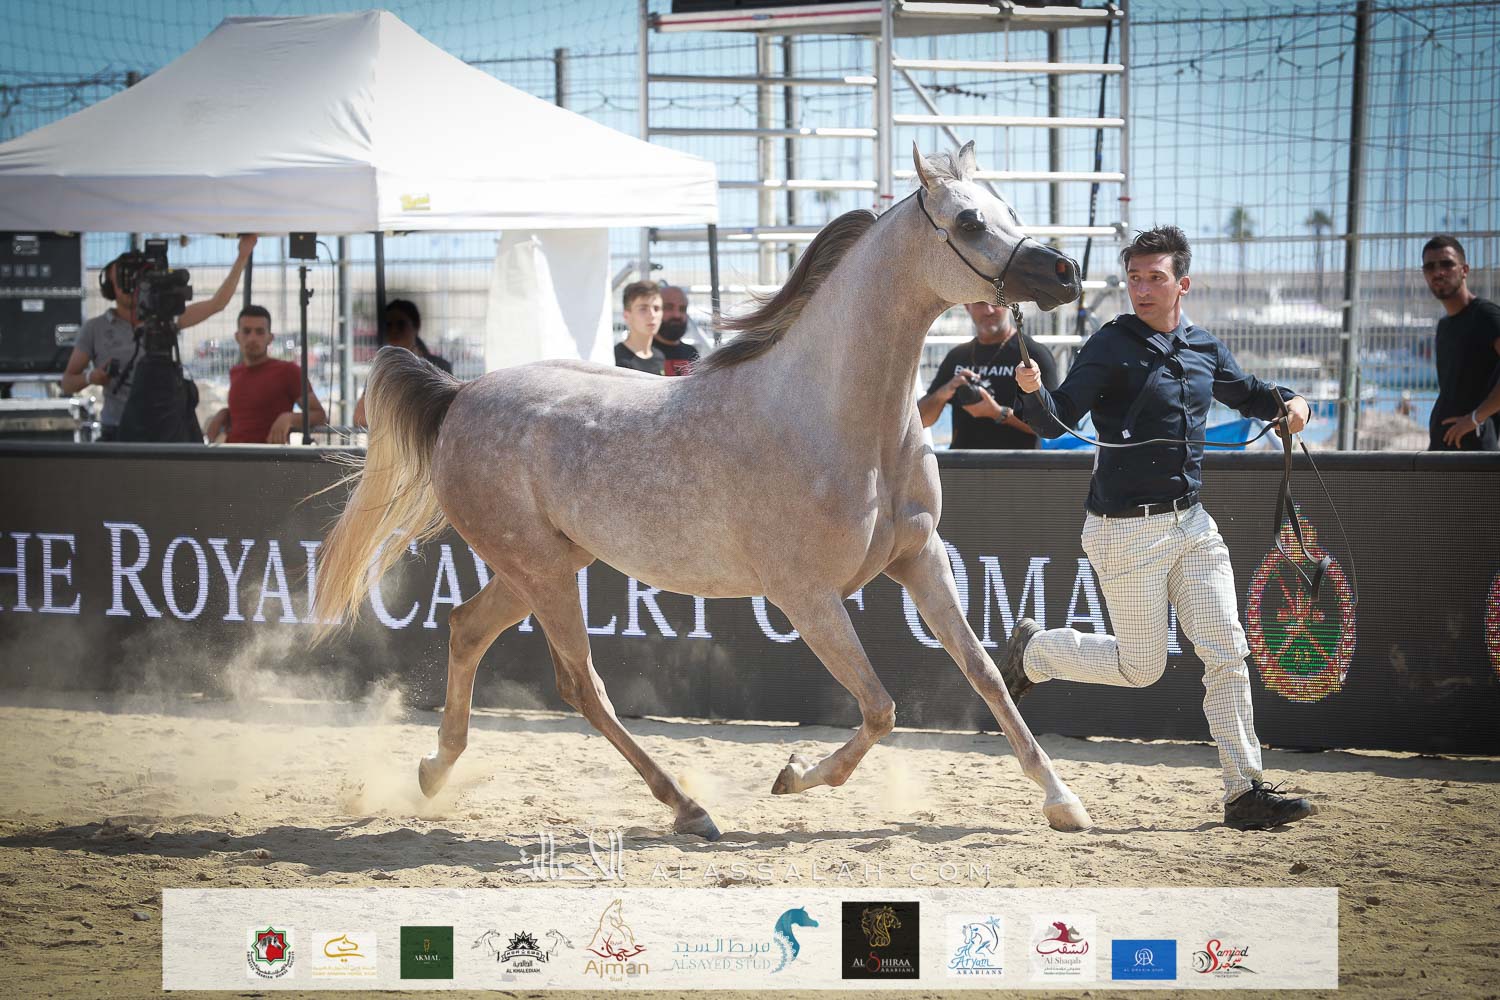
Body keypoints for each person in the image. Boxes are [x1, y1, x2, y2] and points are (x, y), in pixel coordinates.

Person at [1006, 224, 1317, 831]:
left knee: (1226, 648)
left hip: (1193, 526)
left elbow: (1252, 395)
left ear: (1183, 284)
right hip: (1124, 531)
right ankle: (1034, 651)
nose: (1142, 289)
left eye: (1155, 278)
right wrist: (1033, 393)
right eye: (1134, 278)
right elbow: (1055, 420)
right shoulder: (1109, 343)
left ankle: (1245, 791)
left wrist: (1292, 403)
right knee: (1141, 668)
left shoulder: (1203, 348)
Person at [61, 234, 257, 440]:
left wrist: (242, 256)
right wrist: (91, 377)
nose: (131, 285)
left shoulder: (165, 319)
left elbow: (217, 304)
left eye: (136, 278)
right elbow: (67, 382)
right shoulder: (95, 328)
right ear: (110, 285)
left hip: (162, 429)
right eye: (123, 278)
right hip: (118, 430)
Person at [917, 301, 1059, 448]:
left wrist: (999, 413)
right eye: (980, 304)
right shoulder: (957, 356)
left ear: (1010, 304)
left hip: (1017, 461)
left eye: (995, 303)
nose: (988, 311)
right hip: (962, 460)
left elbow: (1053, 424)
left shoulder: (1033, 355)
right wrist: (944, 392)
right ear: (967, 306)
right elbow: (921, 420)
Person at [204, 306, 327, 444]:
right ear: (237, 337)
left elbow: (320, 416)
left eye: (260, 332)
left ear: (270, 338)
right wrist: (225, 413)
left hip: (269, 455)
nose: (252, 338)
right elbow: (249, 414)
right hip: (233, 453)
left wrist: (289, 418)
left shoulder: (288, 371)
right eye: (246, 331)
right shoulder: (235, 372)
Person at [1421, 235, 1500, 451]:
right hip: (1442, 447)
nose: (1438, 272)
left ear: (1464, 270)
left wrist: (1475, 418)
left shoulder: (1486, 316)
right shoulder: (1444, 326)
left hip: (1474, 450)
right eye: (1430, 266)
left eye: (1447, 264)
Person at [352, 298, 451, 428]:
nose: (394, 330)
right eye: (388, 325)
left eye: (401, 324)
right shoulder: (381, 369)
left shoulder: (440, 366)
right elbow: (359, 417)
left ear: (416, 326)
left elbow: (449, 414)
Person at [614, 280, 665, 375]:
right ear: (626, 316)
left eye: (656, 308)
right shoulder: (616, 359)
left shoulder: (659, 356)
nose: (652, 315)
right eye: (643, 309)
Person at [656, 284, 701, 376]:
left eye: (682, 309)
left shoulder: (691, 353)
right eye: (669, 307)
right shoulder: (642, 354)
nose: (677, 315)